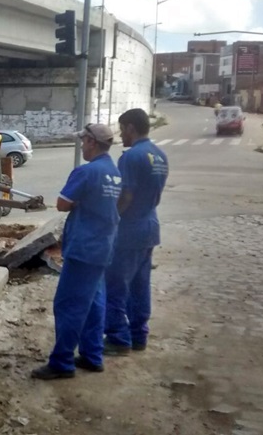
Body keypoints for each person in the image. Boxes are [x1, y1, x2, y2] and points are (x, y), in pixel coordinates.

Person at [31, 123, 121, 380]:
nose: (82, 145)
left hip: (84, 249)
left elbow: (62, 204)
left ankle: (62, 363)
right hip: (104, 246)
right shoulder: (114, 172)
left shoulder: (86, 172)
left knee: (68, 304)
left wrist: (79, 201)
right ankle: (92, 355)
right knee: (94, 301)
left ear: (92, 142)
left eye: (84, 141)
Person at [103, 108, 169, 355]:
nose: (121, 135)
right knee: (140, 285)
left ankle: (118, 338)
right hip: (149, 227)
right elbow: (156, 196)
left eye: (122, 129)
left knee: (115, 286)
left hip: (128, 232)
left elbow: (126, 196)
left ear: (131, 127)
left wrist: (111, 220)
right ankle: (139, 335)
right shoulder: (159, 156)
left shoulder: (130, 157)